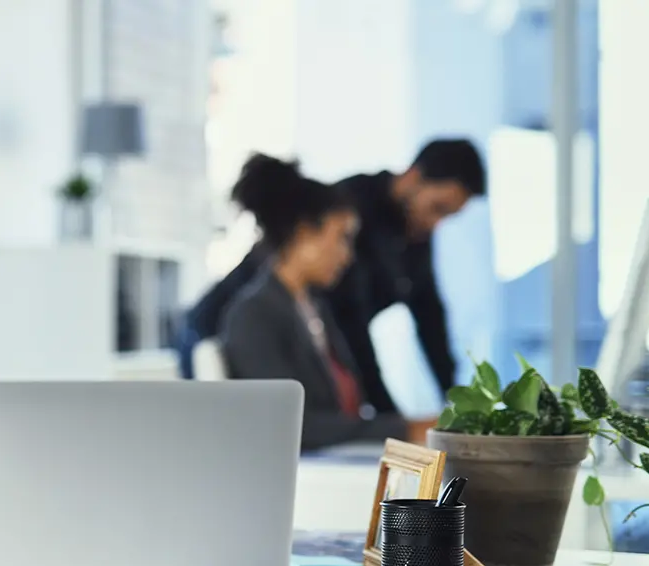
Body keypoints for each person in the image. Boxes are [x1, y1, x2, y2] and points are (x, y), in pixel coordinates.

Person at [179, 139, 487, 415]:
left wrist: (457, 404)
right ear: (412, 177)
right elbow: (351, 324)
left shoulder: (415, 234)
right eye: (437, 208)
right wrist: (393, 424)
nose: (436, 225)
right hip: (219, 332)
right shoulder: (348, 208)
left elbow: (430, 319)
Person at [217, 154, 436, 451]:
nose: (348, 256)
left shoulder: (315, 309)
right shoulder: (254, 314)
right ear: (305, 234)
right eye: (342, 238)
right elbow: (292, 425)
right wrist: (404, 428)